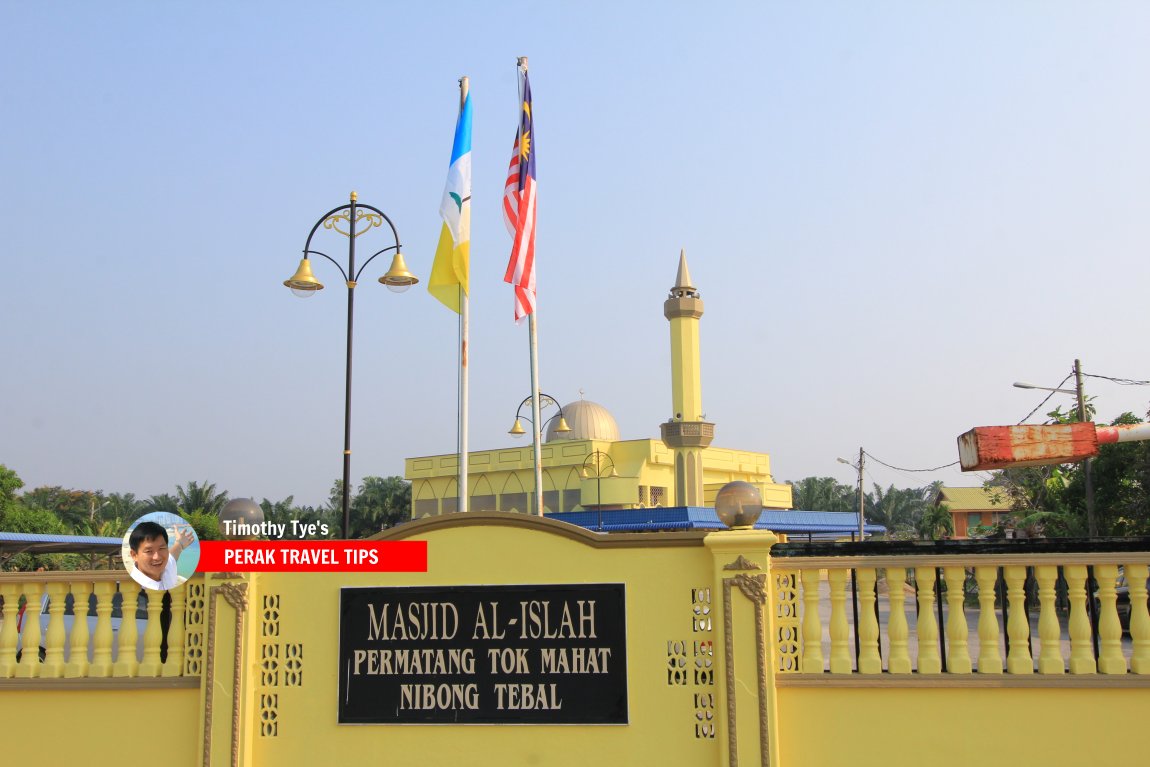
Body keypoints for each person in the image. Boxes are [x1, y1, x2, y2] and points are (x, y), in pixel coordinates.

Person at [128, 520, 195, 590]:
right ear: (134, 555)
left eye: (162, 548)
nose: (157, 557)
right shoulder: (133, 589)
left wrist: (180, 543)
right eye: (149, 551)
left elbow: (173, 554)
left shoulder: (167, 567)